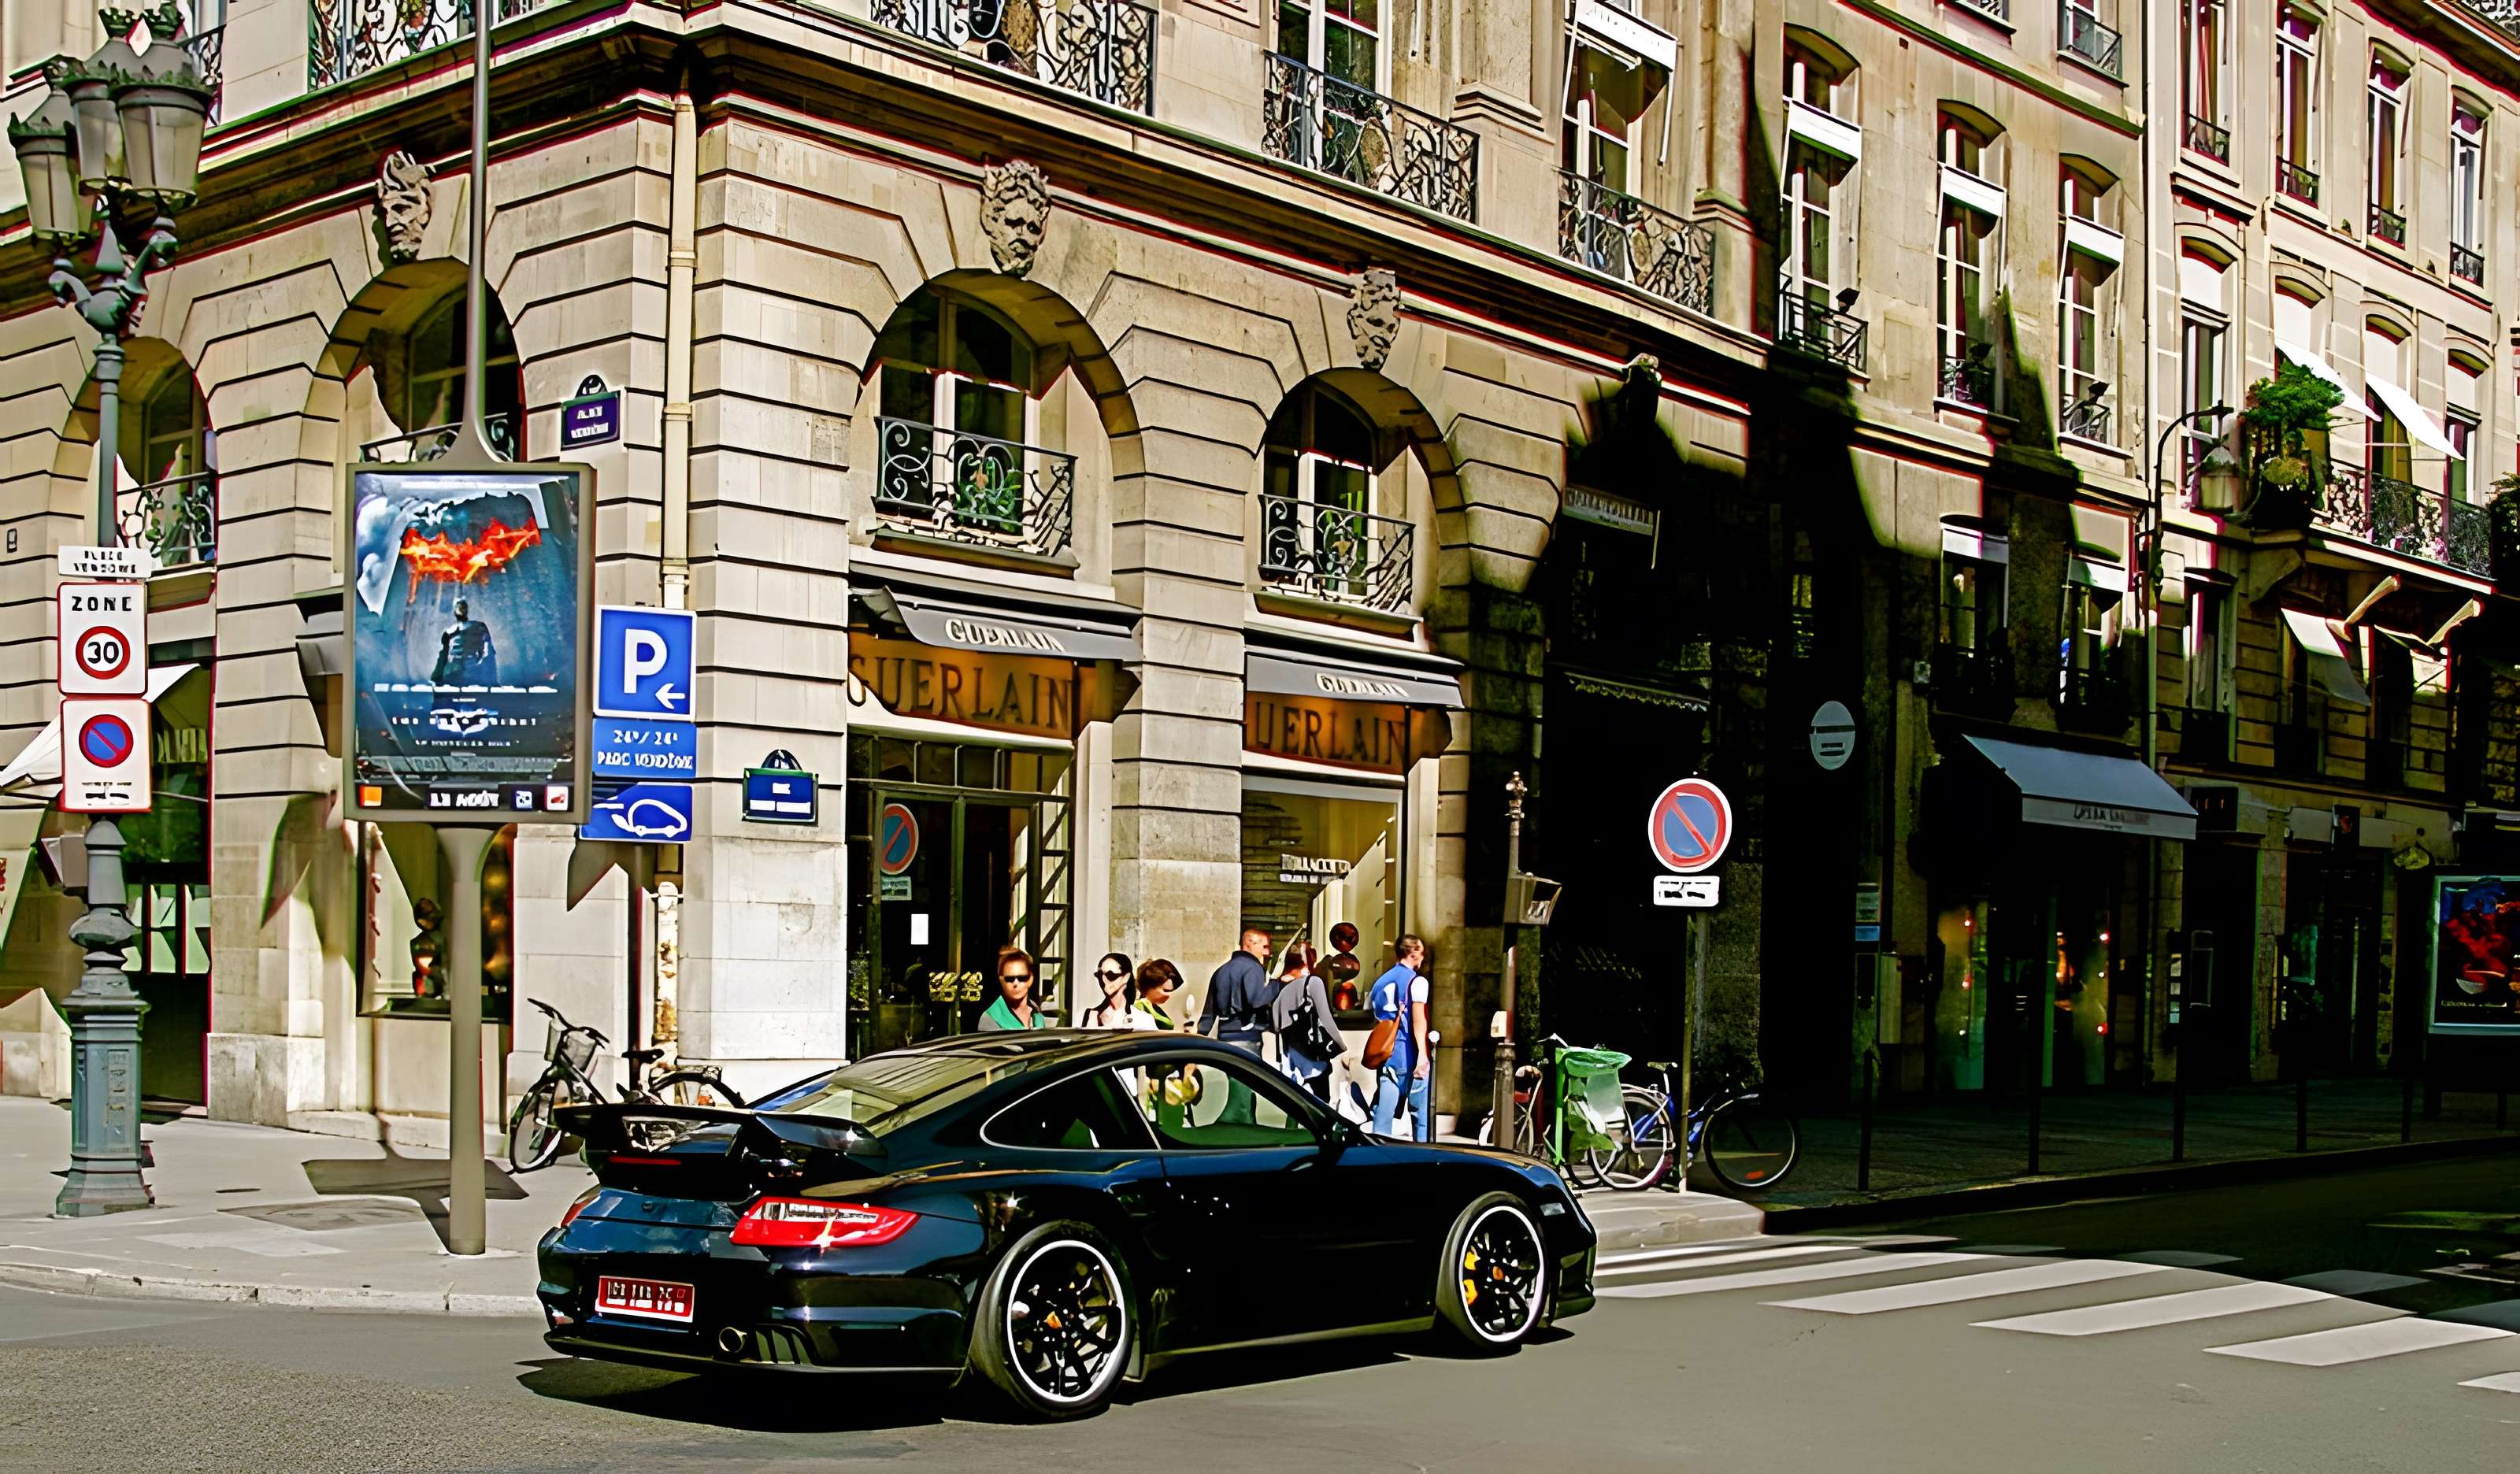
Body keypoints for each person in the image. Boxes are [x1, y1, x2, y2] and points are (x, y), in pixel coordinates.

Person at [1201, 927, 1277, 1124]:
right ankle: (1239, 1134)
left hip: (1224, 1038)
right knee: (1244, 1094)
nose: (1268, 953)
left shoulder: (1221, 971)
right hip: (1247, 1038)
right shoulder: (1253, 968)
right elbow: (1257, 1000)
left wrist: (1198, 1039)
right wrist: (1277, 985)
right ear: (1250, 944)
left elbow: (1208, 1013)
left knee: (1236, 1089)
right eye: (1265, 946)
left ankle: (1240, 1129)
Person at [1369, 935, 1432, 1140]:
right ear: (1413, 953)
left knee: (1383, 1117)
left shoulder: (1380, 982)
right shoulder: (1417, 981)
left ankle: (1378, 1159)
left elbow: (1376, 1016)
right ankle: (1422, 1161)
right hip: (1409, 1053)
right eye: (1421, 953)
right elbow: (1418, 1020)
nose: (1422, 959)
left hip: (1387, 1055)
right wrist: (1423, 1055)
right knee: (1420, 1117)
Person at [1270, 942, 1342, 1103]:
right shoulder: (1312, 983)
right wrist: (1338, 1045)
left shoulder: (1277, 990)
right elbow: (1326, 1017)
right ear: (1305, 964)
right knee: (1322, 1103)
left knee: (1293, 1107)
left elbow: (1275, 1026)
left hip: (1290, 1060)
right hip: (1313, 1056)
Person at [975, 946, 1050, 1031]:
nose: (1016, 983)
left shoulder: (1036, 1013)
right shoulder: (990, 1018)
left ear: (1030, 979)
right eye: (1010, 979)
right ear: (1001, 980)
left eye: (1022, 978)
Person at [1074, 952, 1135, 1028]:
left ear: (1126, 977)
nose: (1104, 980)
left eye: (1111, 975)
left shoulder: (1142, 1019)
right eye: (1099, 975)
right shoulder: (1084, 1017)